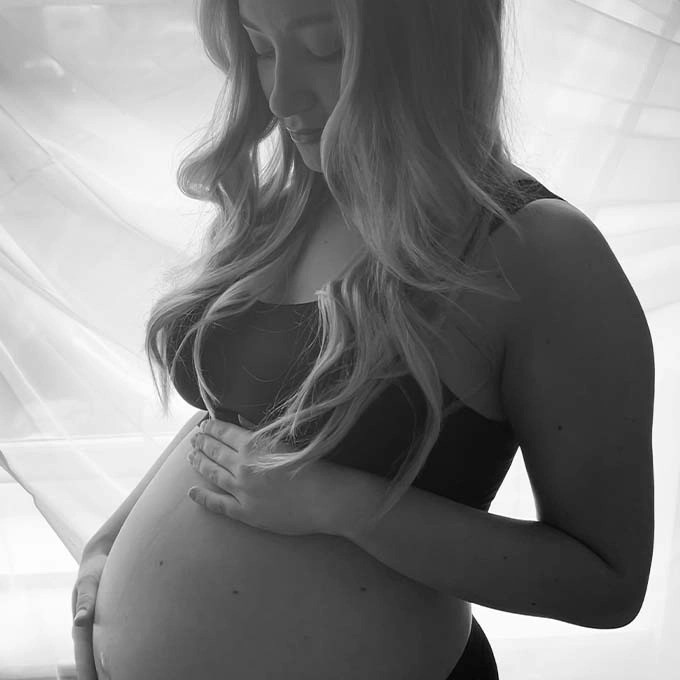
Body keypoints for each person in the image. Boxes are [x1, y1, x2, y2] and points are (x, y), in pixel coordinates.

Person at [71, 0, 655, 678]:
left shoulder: (537, 249)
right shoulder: (298, 205)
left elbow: (606, 581)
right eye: (261, 48)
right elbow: (242, 423)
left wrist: (338, 504)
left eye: (327, 49)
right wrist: (107, 545)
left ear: (433, 52)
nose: (281, 96)